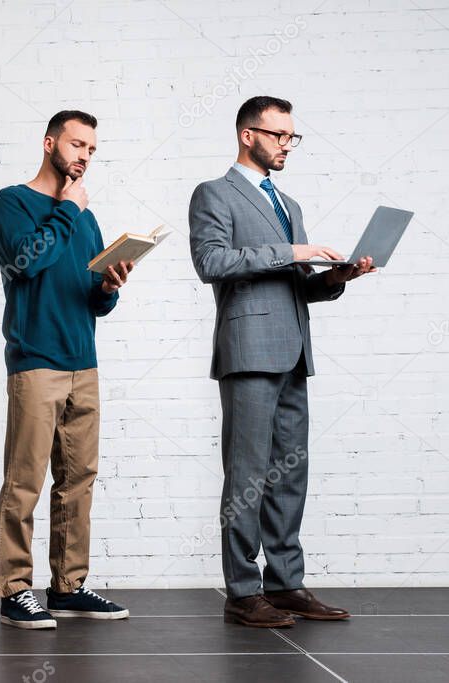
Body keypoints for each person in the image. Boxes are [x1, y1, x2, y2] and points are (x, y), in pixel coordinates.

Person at [188, 96, 373, 628]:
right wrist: (294, 252)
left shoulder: (287, 204)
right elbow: (212, 262)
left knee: (291, 472)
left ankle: (285, 584)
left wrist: (335, 279)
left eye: (292, 137)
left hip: (293, 353)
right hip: (247, 353)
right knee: (246, 473)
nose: (286, 145)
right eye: (278, 136)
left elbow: (295, 287)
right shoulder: (214, 194)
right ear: (248, 135)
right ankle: (243, 593)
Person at [0, 110, 132, 630]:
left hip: (83, 361)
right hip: (35, 361)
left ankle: (68, 586)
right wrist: (69, 209)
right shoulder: (12, 201)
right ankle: (14, 591)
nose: (84, 157)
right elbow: (27, 262)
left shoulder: (87, 218)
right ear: (49, 143)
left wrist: (109, 286)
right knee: (24, 479)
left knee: (79, 480)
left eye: (91, 150)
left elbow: (90, 299)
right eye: (76, 145)